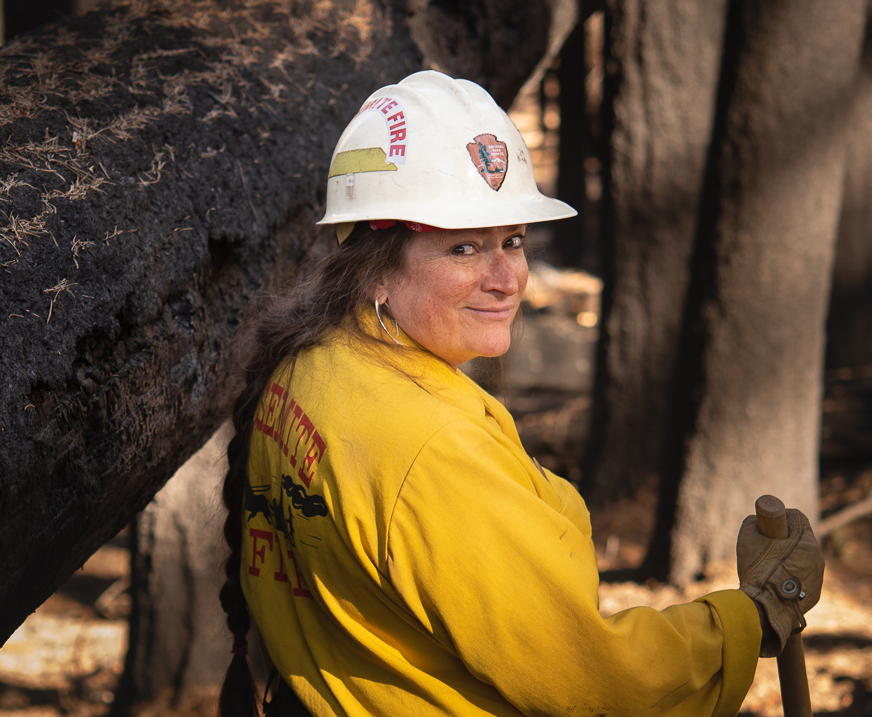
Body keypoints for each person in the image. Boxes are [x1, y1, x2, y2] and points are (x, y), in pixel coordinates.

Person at [218, 71, 825, 717]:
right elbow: (598, 684)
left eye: (513, 240)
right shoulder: (429, 447)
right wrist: (754, 614)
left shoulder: (313, 369)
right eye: (464, 248)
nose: (507, 278)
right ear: (375, 268)